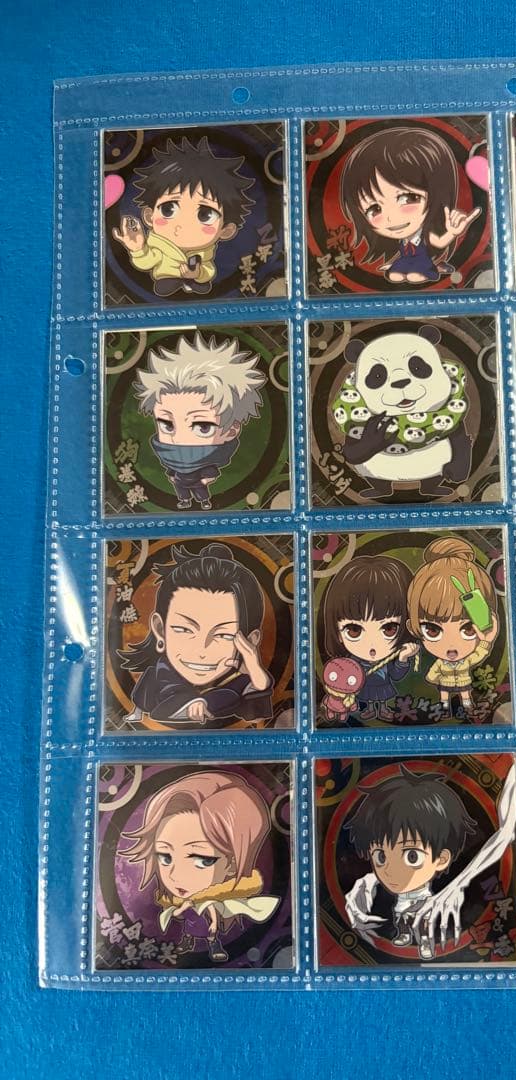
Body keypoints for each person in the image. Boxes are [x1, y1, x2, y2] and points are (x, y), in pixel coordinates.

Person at [120, 770, 278, 962]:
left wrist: (212, 926)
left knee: (209, 937)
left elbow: (210, 914)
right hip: (187, 933)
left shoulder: (212, 902)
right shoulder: (176, 900)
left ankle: (213, 944)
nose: (176, 875)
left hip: (208, 933)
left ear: (232, 864)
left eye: (202, 861)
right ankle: (190, 942)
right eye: (165, 857)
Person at [118, 543, 274, 728]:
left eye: (223, 635)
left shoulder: (239, 681)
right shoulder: (160, 673)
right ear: (160, 629)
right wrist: (192, 702)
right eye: (184, 630)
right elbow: (163, 701)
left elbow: (257, 714)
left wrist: (255, 670)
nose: (202, 650)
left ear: (250, 640)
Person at [343, 766, 476, 959]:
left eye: (412, 856)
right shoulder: (370, 884)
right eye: (381, 857)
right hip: (403, 899)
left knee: (423, 920)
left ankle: (425, 942)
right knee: (401, 916)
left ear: (441, 859)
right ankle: (404, 934)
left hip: (422, 897)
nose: (391, 871)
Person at [133, 332, 265, 510]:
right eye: (167, 425)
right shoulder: (171, 458)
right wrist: (172, 475)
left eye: (203, 427)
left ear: (231, 431)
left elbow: (210, 473)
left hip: (198, 482)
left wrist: (205, 480)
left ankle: (204, 501)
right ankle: (185, 500)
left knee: (201, 492)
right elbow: (172, 468)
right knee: (182, 491)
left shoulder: (208, 461)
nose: (179, 438)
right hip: (180, 481)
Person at [112, 136, 254, 296]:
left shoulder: (205, 252)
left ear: (226, 230)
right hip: (164, 282)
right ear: (149, 216)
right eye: (168, 209)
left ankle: (191, 283)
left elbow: (209, 269)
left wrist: (198, 274)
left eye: (205, 215)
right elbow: (146, 262)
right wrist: (138, 249)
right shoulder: (158, 245)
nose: (184, 226)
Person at [339, 127, 480, 284]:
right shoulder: (403, 240)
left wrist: (453, 232)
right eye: (374, 209)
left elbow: (439, 242)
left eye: (407, 199)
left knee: (415, 276)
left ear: (436, 193)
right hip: (406, 262)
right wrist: (392, 264)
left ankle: (434, 268)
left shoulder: (425, 234)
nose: (391, 217)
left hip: (421, 263)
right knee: (394, 275)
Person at [407, 537, 500, 717]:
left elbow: (479, 655)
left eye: (468, 629)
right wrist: (431, 679)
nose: (451, 645)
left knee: (465, 694)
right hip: (445, 684)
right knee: (444, 695)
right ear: (413, 626)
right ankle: (444, 706)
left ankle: (467, 704)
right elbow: (433, 673)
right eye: (433, 630)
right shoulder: (441, 663)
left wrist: (487, 641)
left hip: (464, 683)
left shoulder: (465, 661)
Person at [320, 555, 419, 721]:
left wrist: (402, 658)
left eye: (388, 629)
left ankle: (383, 709)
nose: (372, 646)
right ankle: (371, 709)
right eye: (354, 630)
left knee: (382, 699)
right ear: (337, 633)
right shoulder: (350, 662)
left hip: (383, 687)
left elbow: (396, 675)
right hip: (365, 689)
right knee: (370, 700)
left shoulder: (388, 660)